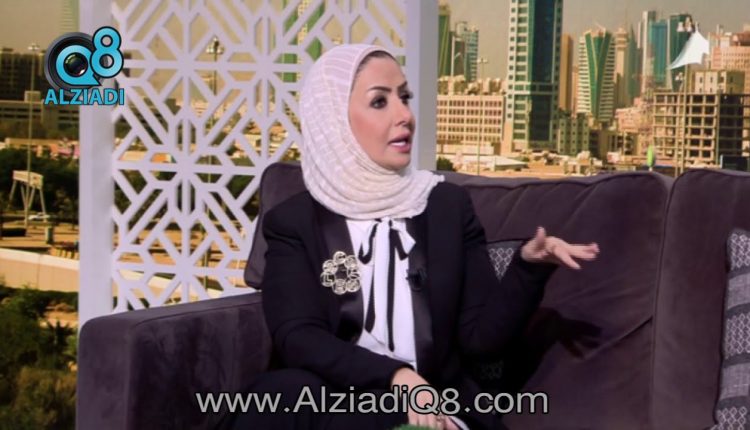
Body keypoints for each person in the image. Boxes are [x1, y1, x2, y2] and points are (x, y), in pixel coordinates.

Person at [226, 44, 599, 430]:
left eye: (404, 97)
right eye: (380, 102)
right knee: (280, 395)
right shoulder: (294, 222)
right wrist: (396, 377)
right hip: (340, 401)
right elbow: (298, 337)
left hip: (434, 407)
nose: (404, 115)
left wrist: (528, 267)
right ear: (334, 120)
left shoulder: (447, 208)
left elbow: (481, 340)